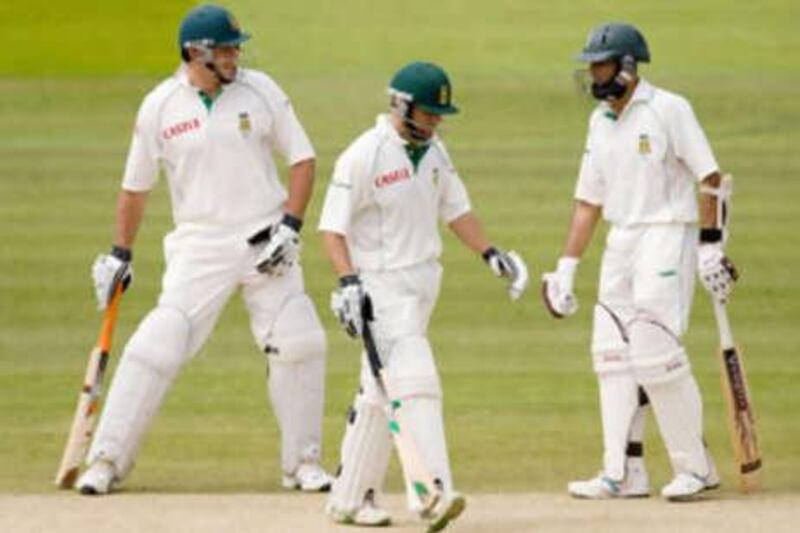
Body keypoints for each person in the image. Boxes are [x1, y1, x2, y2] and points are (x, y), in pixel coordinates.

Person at [77, 4, 331, 495]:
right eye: (226, 49)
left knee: (300, 341)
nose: (236, 56)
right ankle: (105, 459)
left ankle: (303, 464)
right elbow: (135, 188)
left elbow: (303, 160)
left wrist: (290, 227)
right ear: (197, 52)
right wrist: (119, 254)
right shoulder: (160, 106)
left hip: (265, 240)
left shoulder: (262, 91)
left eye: (236, 48)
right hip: (199, 246)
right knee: (157, 345)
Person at [318, 61, 529, 530]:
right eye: (428, 113)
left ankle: (349, 498)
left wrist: (490, 253)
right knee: (415, 381)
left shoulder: (435, 153)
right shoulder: (363, 155)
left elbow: (456, 210)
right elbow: (331, 231)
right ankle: (432, 493)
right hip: (381, 286)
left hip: (423, 284)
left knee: (379, 391)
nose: (435, 122)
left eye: (440, 115)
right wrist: (349, 283)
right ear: (400, 104)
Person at [542, 22, 738, 501]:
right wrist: (566, 266)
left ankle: (697, 466)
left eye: (600, 64)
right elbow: (588, 201)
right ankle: (622, 472)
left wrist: (711, 244)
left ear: (627, 67)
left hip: (667, 236)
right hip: (621, 240)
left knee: (654, 353)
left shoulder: (669, 109)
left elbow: (710, 176)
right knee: (610, 353)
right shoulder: (600, 122)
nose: (592, 74)